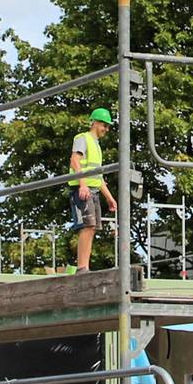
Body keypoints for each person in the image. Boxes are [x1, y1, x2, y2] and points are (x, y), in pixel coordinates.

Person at [68, 108, 118, 272]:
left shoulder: (96, 146)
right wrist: (82, 184)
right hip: (82, 189)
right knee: (87, 226)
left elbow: (98, 177)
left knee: (92, 227)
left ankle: (85, 266)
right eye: (105, 125)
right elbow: (75, 160)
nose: (106, 129)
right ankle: (82, 267)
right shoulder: (83, 138)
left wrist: (109, 198)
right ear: (95, 122)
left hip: (93, 190)